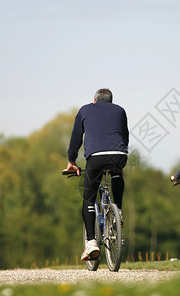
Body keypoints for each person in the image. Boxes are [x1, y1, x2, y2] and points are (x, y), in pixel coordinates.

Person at [64, 88, 129, 261]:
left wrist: (72, 161)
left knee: (88, 197)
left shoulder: (85, 110)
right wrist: (120, 159)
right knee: (116, 174)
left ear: (94, 100)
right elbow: (125, 136)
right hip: (119, 155)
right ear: (111, 102)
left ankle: (91, 242)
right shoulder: (120, 110)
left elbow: (76, 138)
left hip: (96, 158)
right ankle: (119, 210)